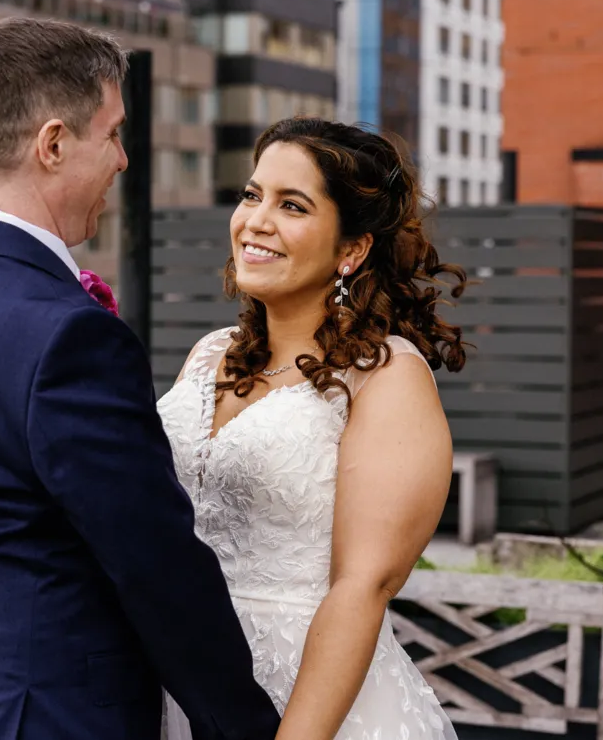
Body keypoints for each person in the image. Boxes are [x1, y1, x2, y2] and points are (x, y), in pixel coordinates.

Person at [0, 16, 281, 740]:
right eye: (114, 133)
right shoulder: (71, 334)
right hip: (51, 717)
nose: (123, 159)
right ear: (53, 144)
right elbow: (153, 562)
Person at [157, 117, 467, 740]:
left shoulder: (386, 377)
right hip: (179, 685)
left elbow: (364, 586)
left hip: (311, 699)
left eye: (292, 205)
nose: (256, 221)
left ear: (351, 250)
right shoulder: (207, 353)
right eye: (252, 195)